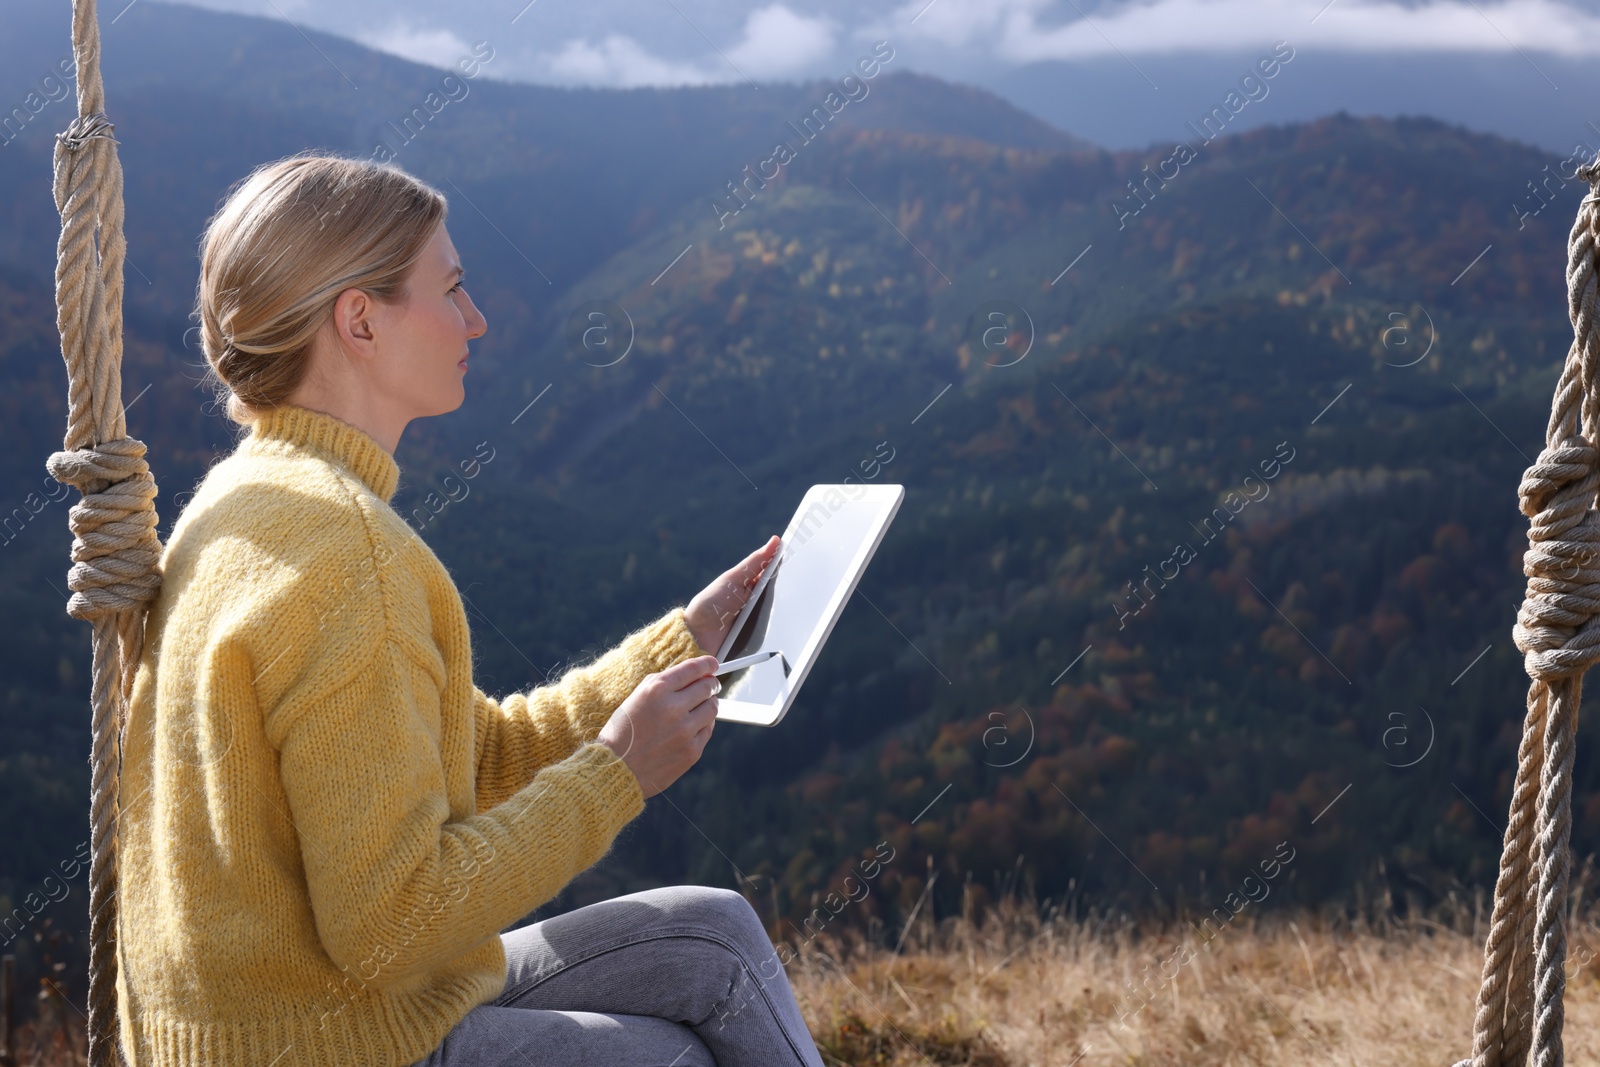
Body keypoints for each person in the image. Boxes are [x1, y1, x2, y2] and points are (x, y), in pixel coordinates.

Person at [114, 152, 823, 1067]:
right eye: (450, 289)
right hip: (323, 1044)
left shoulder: (236, 498)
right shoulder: (348, 556)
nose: (478, 320)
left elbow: (460, 756)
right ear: (359, 319)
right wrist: (618, 772)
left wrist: (679, 643)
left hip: (255, 1026)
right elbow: (392, 926)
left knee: (713, 936)